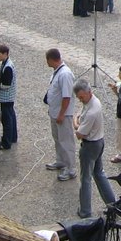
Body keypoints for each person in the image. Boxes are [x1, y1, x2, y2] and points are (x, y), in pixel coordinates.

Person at [73, 79, 118, 218]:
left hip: (90, 145)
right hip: (99, 141)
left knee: (85, 178)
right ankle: (112, 205)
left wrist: (75, 122)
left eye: (82, 97)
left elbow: (80, 134)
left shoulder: (92, 111)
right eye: (79, 97)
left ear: (89, 92)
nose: (80, 100)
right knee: (99, 173)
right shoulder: (94, 101)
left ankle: (85, 211)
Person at [44, 48, 78, 181]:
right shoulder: (58, 72)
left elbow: (66, 97)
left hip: (62, 114)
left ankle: (70, 168)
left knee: (66, 141)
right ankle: (61, 161)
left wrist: (61, 114)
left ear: (51, 59)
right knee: (57, 138)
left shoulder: (65, 74)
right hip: (55, 112)